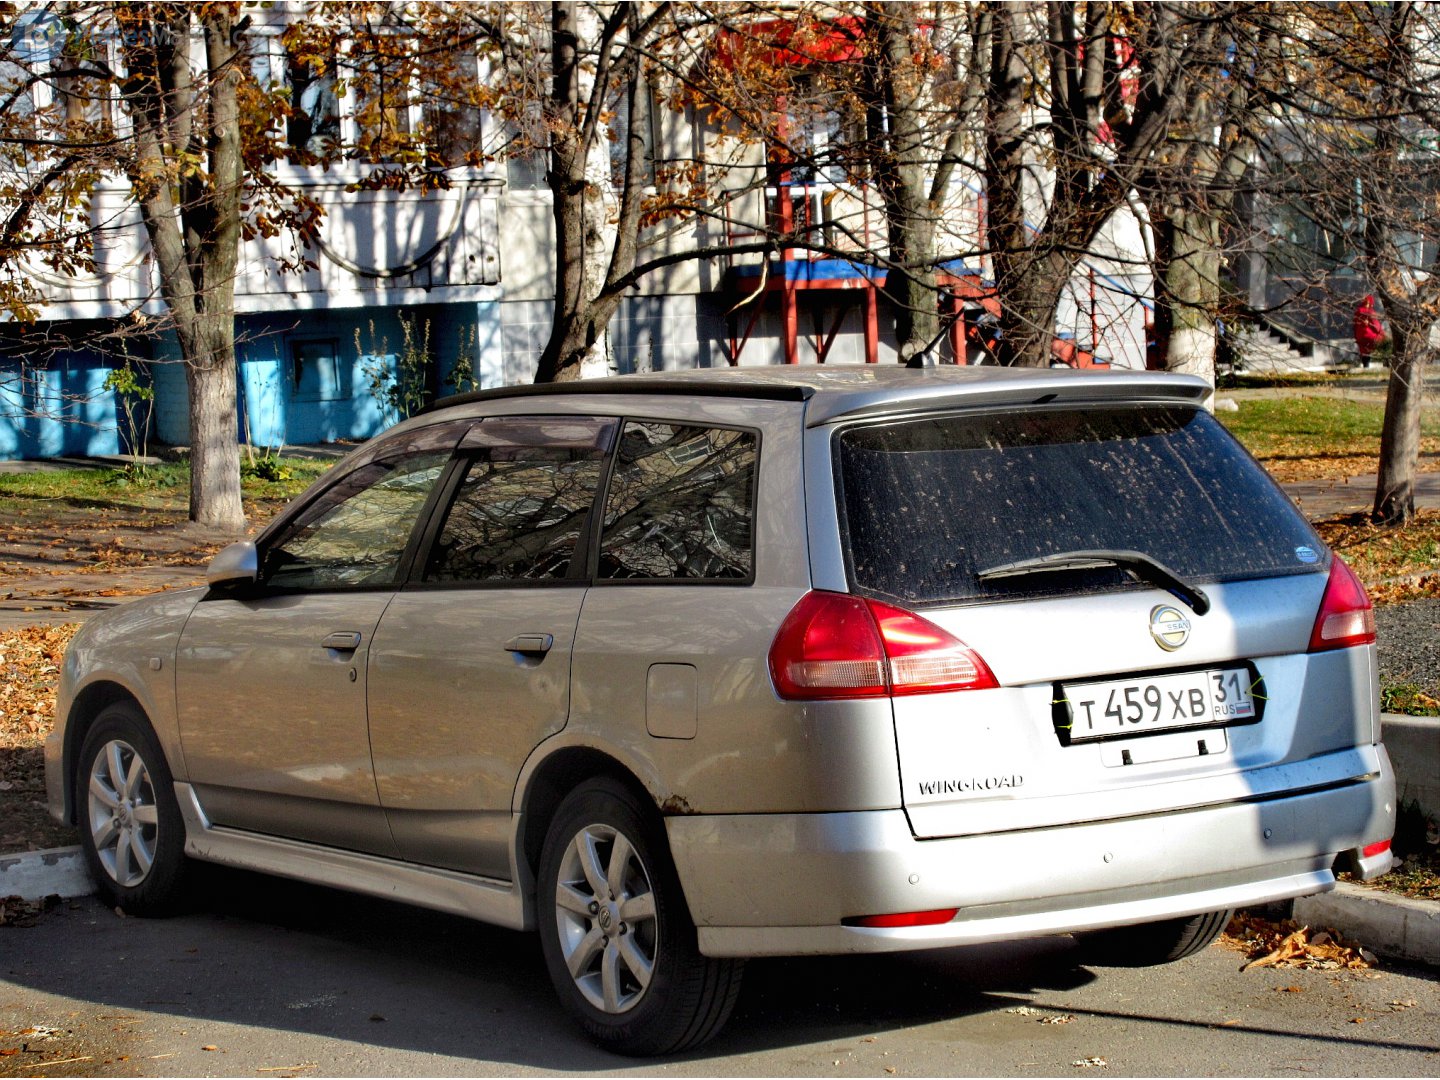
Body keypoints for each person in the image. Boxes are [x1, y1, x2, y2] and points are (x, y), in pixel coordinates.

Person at [1353, 294, 1384, 368]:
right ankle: (1384, 362)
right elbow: (1376, 324)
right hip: (1370, 335)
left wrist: (1356, 336)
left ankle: (1365, 365)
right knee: (1382, 343)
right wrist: (1381, 333)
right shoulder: (1370, 312)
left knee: (1364, 351)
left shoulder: (1357, 312)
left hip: (1360, 335)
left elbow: (1354, 325)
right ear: (1370, 303)